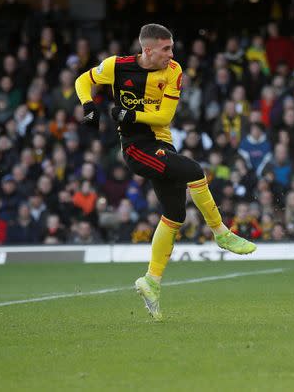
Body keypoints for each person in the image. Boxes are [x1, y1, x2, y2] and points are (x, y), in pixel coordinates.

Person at [74, 23, 256, 321]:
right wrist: (88, 106)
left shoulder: (173, 70)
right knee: (195, 170)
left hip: (162, 144)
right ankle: (221, 233)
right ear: (148, 50)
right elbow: (83, 79)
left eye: (172, 48)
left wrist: (130, 113)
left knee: (175, 214)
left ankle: (151, 281)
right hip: (136, 147)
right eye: (166, 49)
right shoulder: (116, 67)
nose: (172, 54)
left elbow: (164, 116)